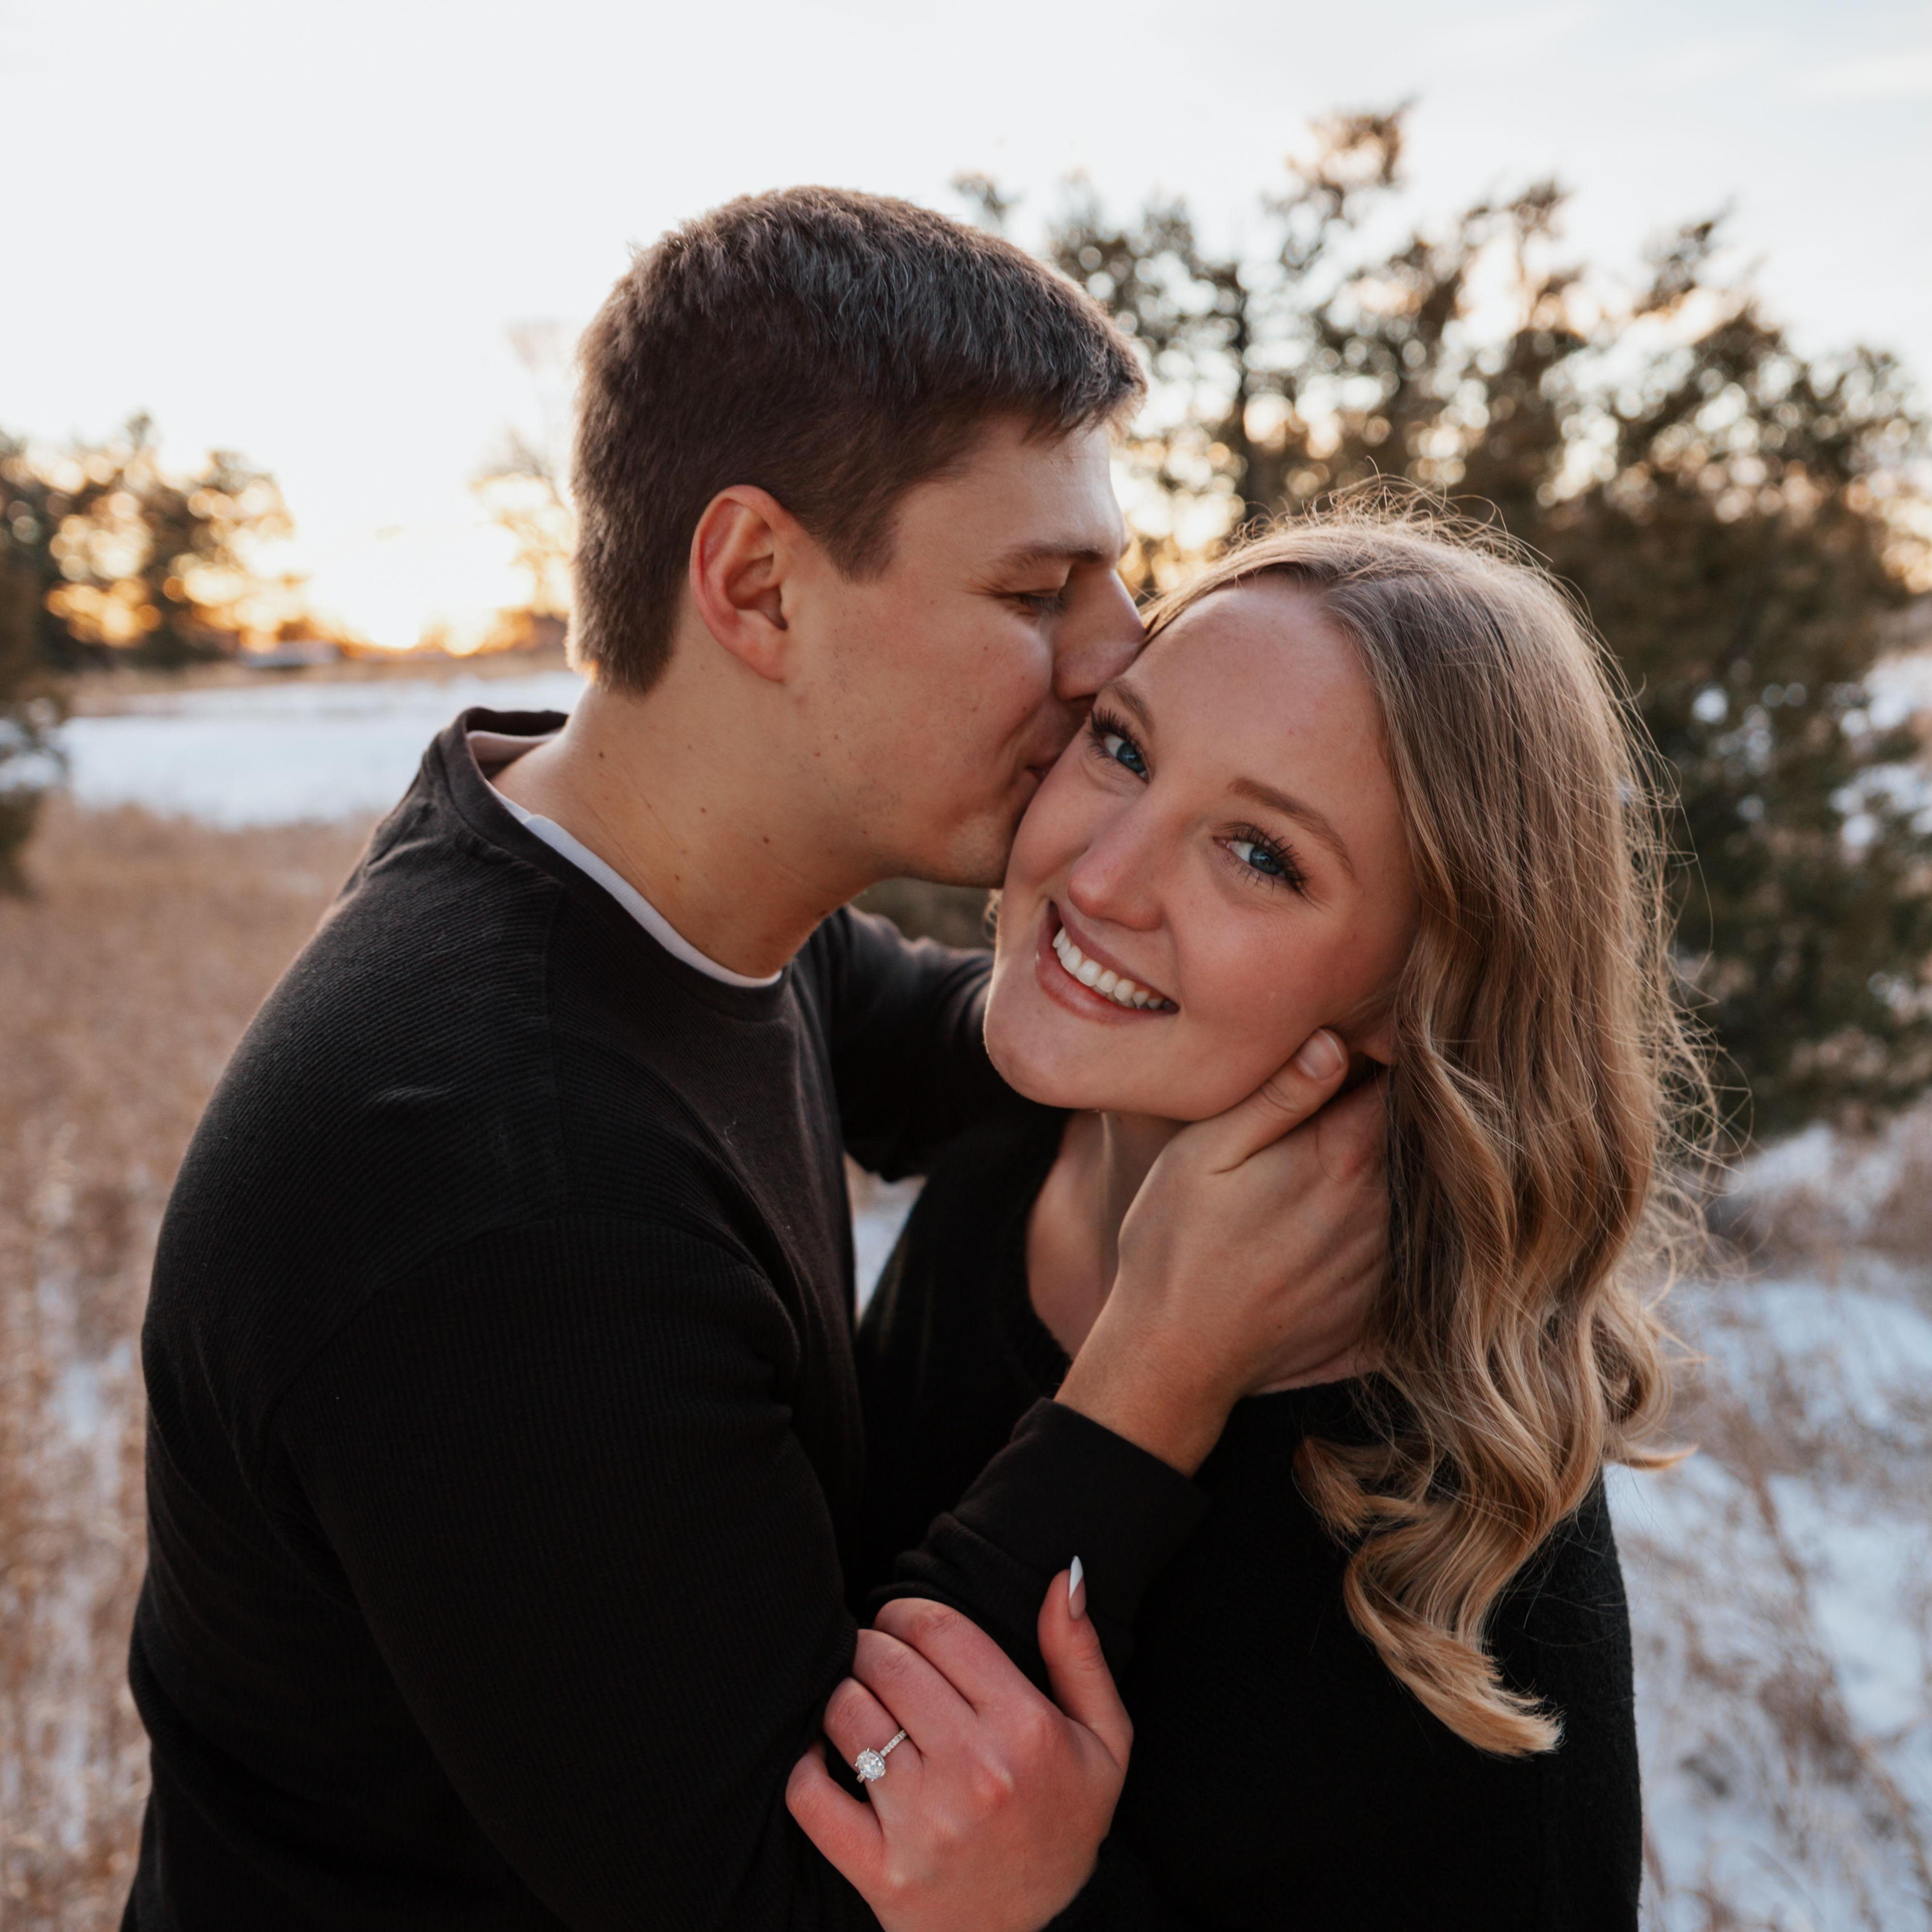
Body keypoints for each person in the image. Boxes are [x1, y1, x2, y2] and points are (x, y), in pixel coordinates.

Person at [124, 191, 1387, 1931]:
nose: (1118, 650)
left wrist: (1246, 1001)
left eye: (1114, 577)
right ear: (757, 586)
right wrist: (1164, 1365)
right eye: (1037, 590)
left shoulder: (634, 893)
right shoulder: (505, 1190)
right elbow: (799, 1895)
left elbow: (941, 1045)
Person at [837, 509, 1712, 1929]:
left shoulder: (1448, 1573)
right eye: (1123, 747)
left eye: (1259, 854)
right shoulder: (1030, 1100)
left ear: (1428, 990)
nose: (1098, 877)